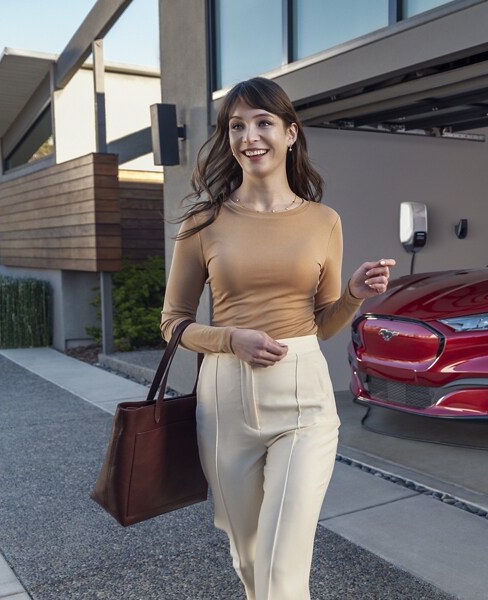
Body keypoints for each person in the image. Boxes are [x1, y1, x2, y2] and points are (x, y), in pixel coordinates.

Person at [160, 77, 395, 599]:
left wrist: (353, 294)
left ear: (290, 133)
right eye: (236, 126)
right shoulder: (203, 222)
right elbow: (173, 323)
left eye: (263, 122)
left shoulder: (324, 221)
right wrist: (230, 339)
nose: (249, 136)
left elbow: (323, 323)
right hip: (225, 401)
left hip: (303, 400)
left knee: (282, 566)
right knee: (249, 558)